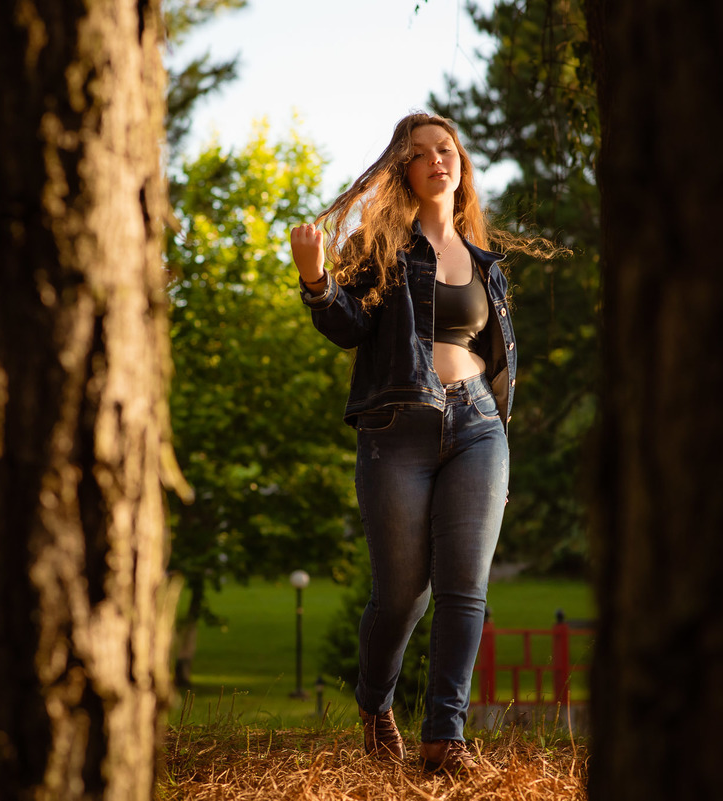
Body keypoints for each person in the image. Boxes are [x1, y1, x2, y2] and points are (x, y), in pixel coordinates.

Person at [290, 112, 556, 775]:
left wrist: (498, 439)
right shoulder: (381, 247)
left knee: (465, 588)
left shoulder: (485, 263)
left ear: (460, 164)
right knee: (402, 595)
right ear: (402, 169)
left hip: (479, 427)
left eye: (447, 149)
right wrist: (317, 280)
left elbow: (499, 361)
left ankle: (444, 737)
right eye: (421, 153)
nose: (438, 159)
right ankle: (376, 703)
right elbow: (348, 327)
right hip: (397, 429)